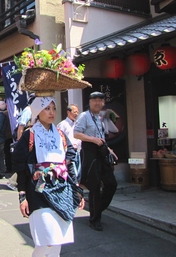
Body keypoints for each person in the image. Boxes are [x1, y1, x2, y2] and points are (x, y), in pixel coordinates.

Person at [12, 96, 85, 256]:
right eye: (47, 108)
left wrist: (76, 190)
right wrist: (22, 196)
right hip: (38, 192)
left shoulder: (60, 135)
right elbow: (21, 167)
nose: (52, 112)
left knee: (57, 239)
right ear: (38, 111)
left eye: (54, 108)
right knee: (47, 239)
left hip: (62, 190)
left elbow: (69, 164)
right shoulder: (29, 135)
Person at [74, 91, 118, 231]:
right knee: (94, 187)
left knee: (111, 184)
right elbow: (76, 133)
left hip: (101, 151)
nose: (98, 103)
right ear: (90, 102)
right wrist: (92, 139)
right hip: (89, 152)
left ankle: (98, 209)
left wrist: (109, 150)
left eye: (100, 100)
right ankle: (95, 220)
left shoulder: (99, 117)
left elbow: (101, 137)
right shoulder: (84, 116)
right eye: (95, 100)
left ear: (103, 103)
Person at [57, 104, 82, 182]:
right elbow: (60, 138)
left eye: (77, 112)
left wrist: (77, 144)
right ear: (68, 112)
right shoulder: (63, 124)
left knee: (78, 172)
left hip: (77, 151)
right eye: (74, 112)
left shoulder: (78, 124)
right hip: (68, 153)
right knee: (71, 173)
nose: (76, 114)